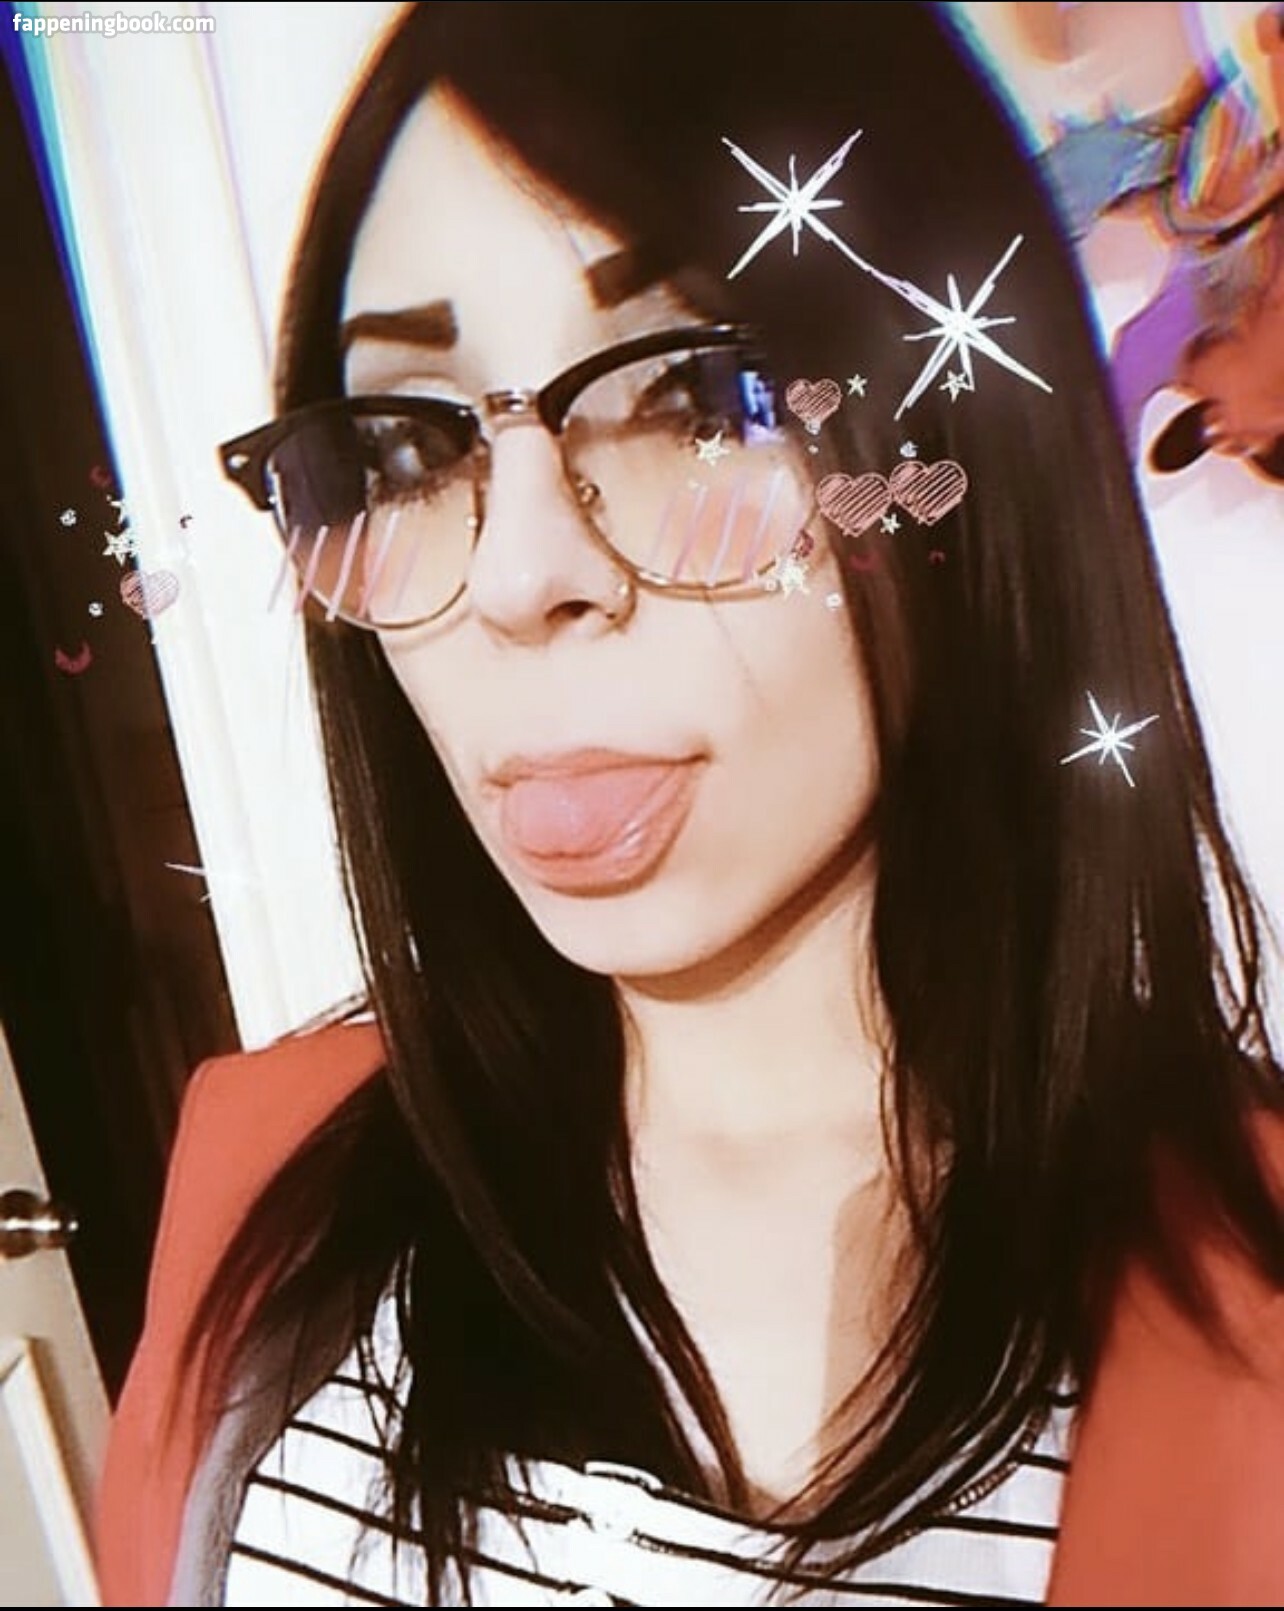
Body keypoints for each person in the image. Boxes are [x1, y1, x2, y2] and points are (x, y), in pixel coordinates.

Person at [95, 3, 1284, 1605]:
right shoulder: (262, 1174)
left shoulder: (1246, 1311)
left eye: (698, 400)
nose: (519, 577)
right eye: (407, 445)